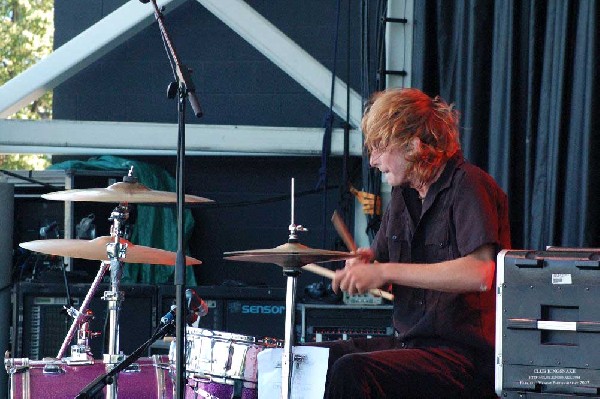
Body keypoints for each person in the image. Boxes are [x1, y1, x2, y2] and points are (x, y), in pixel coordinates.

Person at [324, 88, 511, 398]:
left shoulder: (469, 186)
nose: (372, 161)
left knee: (352, 370)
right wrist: (364, 263)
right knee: (318, 357)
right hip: (412, 344)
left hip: (465, 358)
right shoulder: (403, 195)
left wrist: (385, 272)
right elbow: (379, 259)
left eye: (380, 148)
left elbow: (480, 273)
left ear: (412, 145)